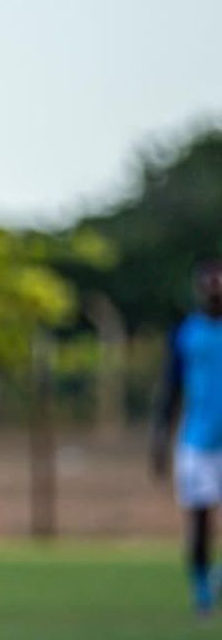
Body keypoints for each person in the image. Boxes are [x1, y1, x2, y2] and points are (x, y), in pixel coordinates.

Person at [153, 257, 222, 618]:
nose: (215, 288)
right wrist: (159, 437)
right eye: (209, 282)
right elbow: (170, 388)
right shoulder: (187, 333)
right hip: (197, 442)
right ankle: (202, 590)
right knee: (199, 521)